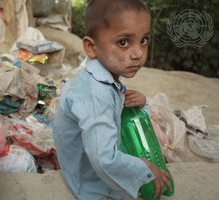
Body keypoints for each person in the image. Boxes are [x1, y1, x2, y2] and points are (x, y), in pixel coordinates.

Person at [53, 0, 172, 199]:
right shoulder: (95, 94)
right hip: (89, 183)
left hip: (91, 160)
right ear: (91, 47)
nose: (138, 53)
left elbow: (112, 114)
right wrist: (143, 169)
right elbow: (103, 158)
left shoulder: (103, 77)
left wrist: (142, 103)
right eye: (123, 42)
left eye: (144, 40)